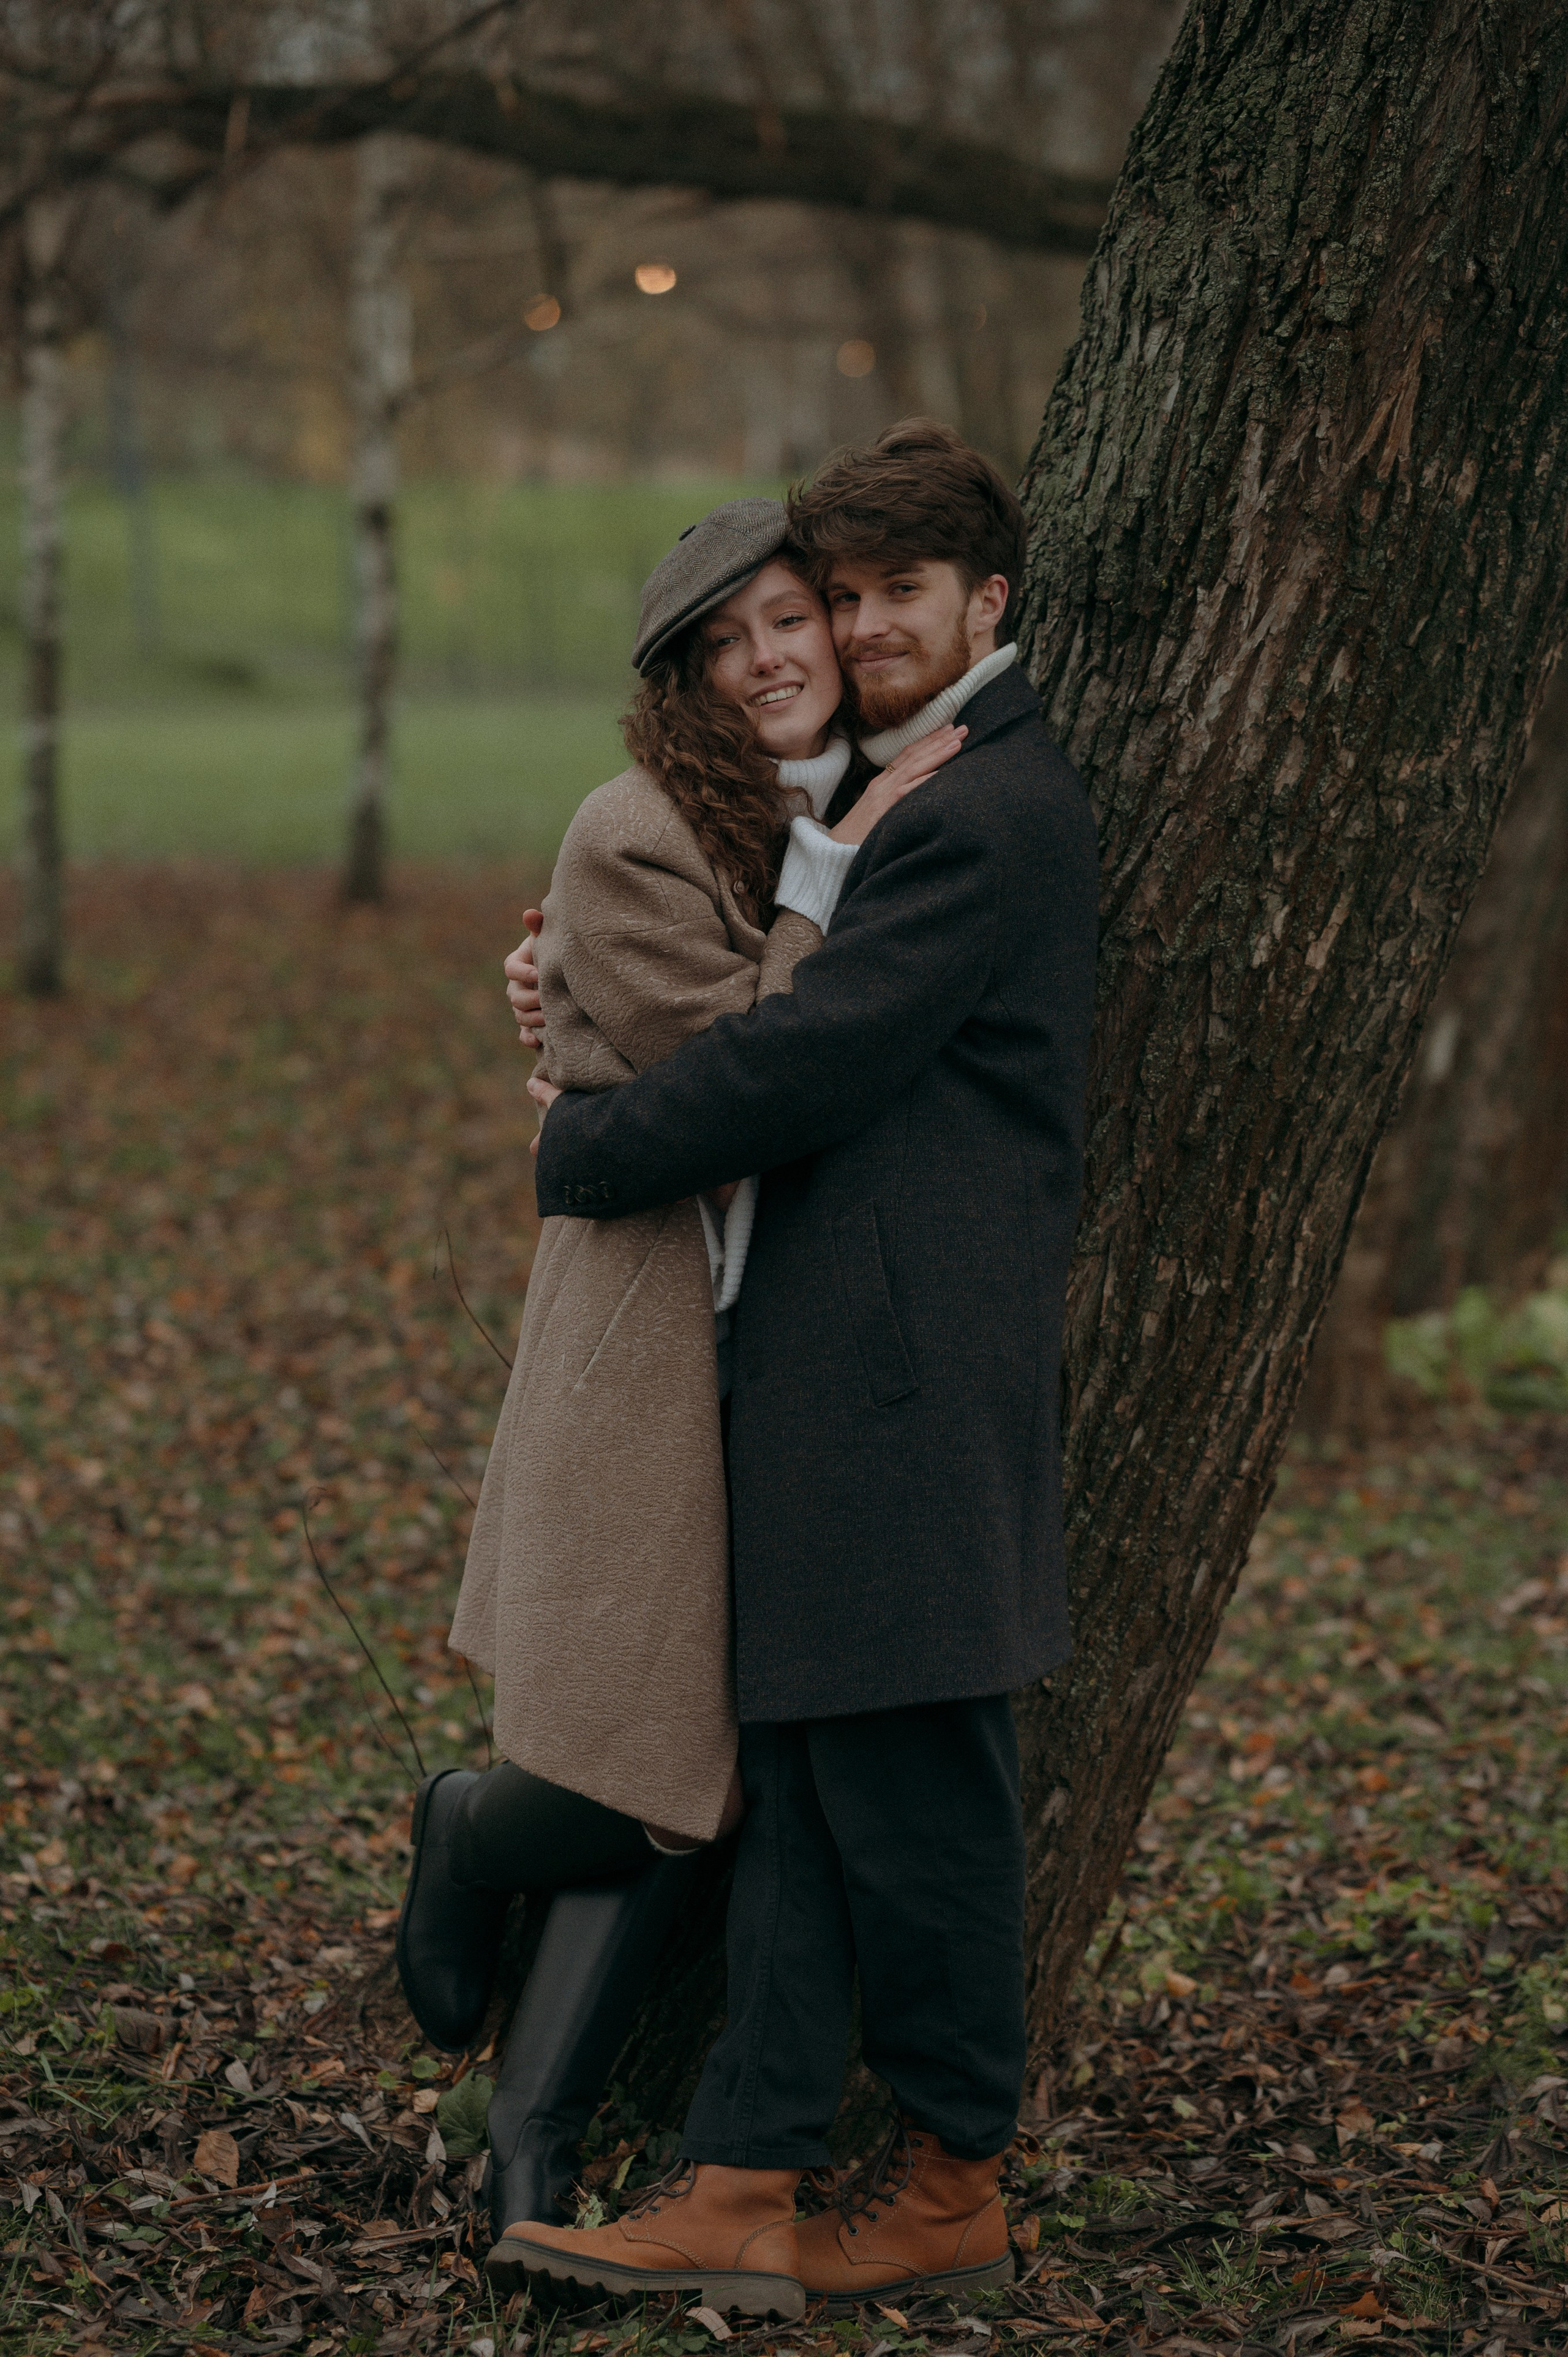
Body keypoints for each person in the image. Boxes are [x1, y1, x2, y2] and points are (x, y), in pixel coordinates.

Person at [484, 421, 1099, 2317]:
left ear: (987, 601)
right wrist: (568, 989)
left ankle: (948, 2177)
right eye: (846, 596)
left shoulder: (983, 806)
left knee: (922, 1800)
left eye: (896, 592)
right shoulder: (899, 787)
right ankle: (746, 2174)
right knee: (820, 1805)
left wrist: (576, 1145)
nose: (860, 627)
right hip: (841, 1367)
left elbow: (803, 1057)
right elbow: (727, 968)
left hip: (905, 1377)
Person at [394, 496, 965, 2250]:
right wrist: (846, 858)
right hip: (648, 1351)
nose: (767, 660)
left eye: (788, 620)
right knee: (649, 1773)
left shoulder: (868, 810)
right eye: (720, 647)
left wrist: (854, 841)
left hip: (783, 1362)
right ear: (678, 688)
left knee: (691, 1782)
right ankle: (475, 1847)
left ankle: (529, 2134)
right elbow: (762, 1059)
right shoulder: (634, 832)